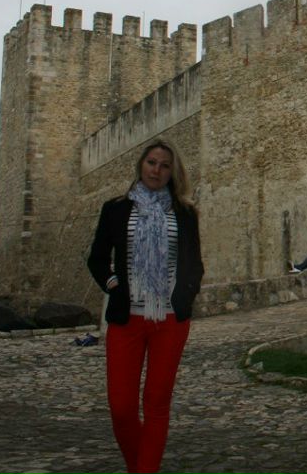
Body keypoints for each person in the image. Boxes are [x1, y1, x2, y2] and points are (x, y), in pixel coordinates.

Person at [87, 139, 204, 474]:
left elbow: (195, 264)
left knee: (156, 405)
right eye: (152, 163)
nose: (157, 170)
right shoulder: (117, 209)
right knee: (121, 407)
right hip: (127, 320)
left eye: (164, 165)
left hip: (170, 319)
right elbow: (97, 259)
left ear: (173, 172)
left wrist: (186, 295)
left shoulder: (184, 213)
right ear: (141, 165)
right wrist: (113, 285)